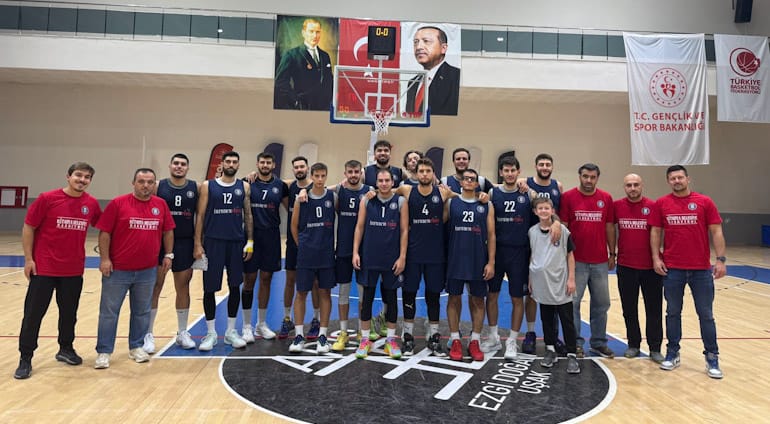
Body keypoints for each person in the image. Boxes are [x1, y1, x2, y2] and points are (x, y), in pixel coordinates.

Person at [15, 163, 101, 379]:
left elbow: (104, 226)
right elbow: (28, 227)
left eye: (87, 177)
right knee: (33, 314)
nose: (82, 180)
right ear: (68, 176)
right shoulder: (47, 198)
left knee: (69, 314)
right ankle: (25, 357)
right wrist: (28, 259)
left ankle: (65, 348)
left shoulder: (91, 203)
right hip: (44, 268)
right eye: (78, 175)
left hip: (73, 270)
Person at [94, 168, 175, 369]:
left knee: (141, 311)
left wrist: (168, 254)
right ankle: (104, 351)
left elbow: (167, 231)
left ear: (154, 184)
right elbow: (105, 233)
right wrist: (105, 259)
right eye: (141, 181)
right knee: (109, 312)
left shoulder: (160, 205)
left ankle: (136, 346)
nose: (145, 185)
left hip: (147, 270)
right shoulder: (118, 203)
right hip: (117, 270)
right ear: (133, 183)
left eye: (150, 182)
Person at [650, 165, 726, 379]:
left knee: (706, 315)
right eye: (672, 178)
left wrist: (720, 260)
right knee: (672, 313)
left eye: (680, 177)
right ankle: (672, 353)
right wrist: (656, 257)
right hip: (673, 269)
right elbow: (656, 232)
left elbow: (716, 231)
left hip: (701, 270)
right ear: (668, 181)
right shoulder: (661, 203)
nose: (677, 181)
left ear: (687, 179)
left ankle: (712, 357)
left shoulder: (704, 202)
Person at [194, 151, 254, 351]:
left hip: (236, 242)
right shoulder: (208, 186)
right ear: (222, 164)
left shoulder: (244, 186)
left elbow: (248, 215)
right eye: (228, 161)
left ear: (238, 165)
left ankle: (230, 331)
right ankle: (211, 333)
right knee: (209, 288)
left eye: (235, 162)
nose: (231, 164)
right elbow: (200, 215)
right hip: (213, 242)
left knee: (235, 286)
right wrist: (197, 243)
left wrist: (250, 241)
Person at [395, 158, 452, 356]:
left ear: (433, 173)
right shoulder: (407, 190)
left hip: (435, 254)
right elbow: (384, 192)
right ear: (416, 173)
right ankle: (408, 336)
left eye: (428, 171)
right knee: (409, 293)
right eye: (422, 171)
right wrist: (370, 193)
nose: (425, 174)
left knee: (433, 295)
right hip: (413, 253)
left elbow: (465, 196)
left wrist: (483, 196)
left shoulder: (443, 192)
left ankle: (434, 337)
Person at [559, 163, 615, 358]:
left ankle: (598, 342)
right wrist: (564, 256)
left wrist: (612, 253)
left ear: (597, 178)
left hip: (600, 261)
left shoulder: (606, 198)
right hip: (576, 261)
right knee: (573, 304)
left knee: (601, 304)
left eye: (592, 177)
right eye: (585, 176)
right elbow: (563, 227)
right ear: (579, 176)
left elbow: (609, 227)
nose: (588, 180)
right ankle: (575, 343)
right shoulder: (568, 197)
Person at [144, 154, 199, 353]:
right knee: (155, 287)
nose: (179, 166)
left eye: (183, 164)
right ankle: (148, 334)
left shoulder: (195, 187)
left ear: (188, 168)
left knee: (183, 287)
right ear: (169, 166)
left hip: (184, 242)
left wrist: (198, 243)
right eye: (176, 163)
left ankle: (182, 332)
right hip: (159, 243)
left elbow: (200, 215)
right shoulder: (159, 186)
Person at [352, 168, 408, 359]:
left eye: (387, 180)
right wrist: (355, 252)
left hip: (391, 259)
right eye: (380, 181)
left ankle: (390, 340)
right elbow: (359, 227)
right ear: (376, 183)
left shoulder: (400, 202)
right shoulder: (367, 200)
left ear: (393, 182)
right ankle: (365, 339)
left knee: (391, 299)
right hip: (369, 257)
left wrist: (402, 257)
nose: (384, 183)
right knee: (366, 299)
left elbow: (404, 231)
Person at [444, 169, 496, 362]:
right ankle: (455, 339)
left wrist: (491, 262)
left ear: (476, 184)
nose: (468, 181)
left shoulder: (486, 205)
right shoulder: (451, 203)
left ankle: (475, 340)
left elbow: (491, 235)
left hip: (478, 260)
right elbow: (438, 223)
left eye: (472, 179)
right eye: (465, 178)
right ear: (461, 183)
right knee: (453, 299)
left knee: (478, 300)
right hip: (455, 259)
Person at [484, 157, 532, 360]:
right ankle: (493, 336)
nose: (510, 173)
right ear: (501, 172)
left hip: (519, 252)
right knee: (492, 295)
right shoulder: (493, 193)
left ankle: (512, 340)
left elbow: (545, 209)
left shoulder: (528, 194)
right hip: (496, 251)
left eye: (513, 170)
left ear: (519, 172)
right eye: (506, 170)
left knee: (517, 298)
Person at [613, 174, 663, 363]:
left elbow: (659, 232)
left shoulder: (653, 206)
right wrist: (612, 254)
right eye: (629, 185)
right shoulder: (617, 206)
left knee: (654, 309)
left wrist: (658, 258)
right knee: (629, 308)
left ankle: (655, 348)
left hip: (650, 268)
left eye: (636, 185)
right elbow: (609, 228)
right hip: (626, 266)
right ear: (624, 187)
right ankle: (633, 344)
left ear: (642, 186)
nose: (632, 188)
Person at [519, 153, 565, 355]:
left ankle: (552, 335)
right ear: (535, 166)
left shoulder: (557, 186)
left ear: (552, 167)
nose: (545, 167)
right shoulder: (525, 182)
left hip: (551, 243)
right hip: (530, 241)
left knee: (552, 291)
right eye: (541, 164)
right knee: (531, 292)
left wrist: (557, 222)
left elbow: (558, 213)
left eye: (548, 164)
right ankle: (530, 333)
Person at [289, 163, 337, 354]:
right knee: (301, 293)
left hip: (326, 254)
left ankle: (323, 336)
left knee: (325, 293)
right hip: (306, 254)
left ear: (326, 176)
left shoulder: (332, 197)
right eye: (316, 176)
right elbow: (294, 226)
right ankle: (299, 335)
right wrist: (302, 245)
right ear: (312, 176)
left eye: (323, 176)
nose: (319, 179)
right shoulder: (301, 199)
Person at [528, 197, 580, 374]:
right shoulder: (532, 232)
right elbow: (532, 255)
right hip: (541, 283)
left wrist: (571, 279)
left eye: (546, 208)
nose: (543, 211)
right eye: (540, 208)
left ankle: (572, 354)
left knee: (567, 320)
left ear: (552, 211)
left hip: (560, 282)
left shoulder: (562, 231)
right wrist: (530, 278)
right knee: (547, 319)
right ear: (535, 212)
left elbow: (570, 255)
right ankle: (550, 350)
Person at [242, 153, 289, 343]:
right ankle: (246, 326)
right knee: (249, 280)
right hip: (251, 236)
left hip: (271, 236)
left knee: (266, 279)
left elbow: (290, 207)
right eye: (262, 162)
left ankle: (261, 324)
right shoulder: (247, 182)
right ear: (257, 164)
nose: (265, 165)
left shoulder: (280, 185)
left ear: (273, 165)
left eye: (268, 162)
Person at [329, 160, 372, 351]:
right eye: (350, 172)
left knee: (363, 293)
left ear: (361, 173)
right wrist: (305, 191)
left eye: (356, 172)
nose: (353, 175)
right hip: (344, 249)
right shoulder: (339, 191)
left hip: (365, 250)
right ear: (345, 173)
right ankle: (343, 331)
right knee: (344, 291)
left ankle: (363, 333)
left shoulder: (370, 191)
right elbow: (320, 189)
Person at [283, 156, 322, 340]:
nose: (299, 169)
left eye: (302, 166)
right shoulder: (289, 188)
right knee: (290, 280)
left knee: (314, 282)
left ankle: (316, 319)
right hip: (294, 242)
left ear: (308, 168)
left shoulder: (315, 187)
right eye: (296, 167)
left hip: (312, 243)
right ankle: (287, 318)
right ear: (293, 170)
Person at [274, 18, 333, 110]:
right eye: (311, 31)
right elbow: (280, 83)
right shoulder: (292, 55)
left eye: (317, 32)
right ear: (303, 33)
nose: (315, 35)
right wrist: (295, 101)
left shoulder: (325, 56)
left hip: (323, 108)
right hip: (303, 107)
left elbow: (329, 81)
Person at [405, 26, 460, 116]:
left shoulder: (455, 77)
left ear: (443, 48)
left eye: (426, 41)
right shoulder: (413, 82)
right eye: (416, 42)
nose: (419, 47)